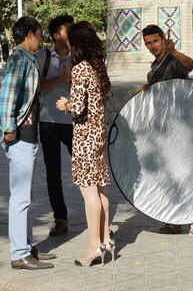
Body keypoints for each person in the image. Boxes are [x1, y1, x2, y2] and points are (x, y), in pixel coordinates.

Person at [0, 16, 56, 270]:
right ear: (30, 34)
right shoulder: (19, 59)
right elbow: (6, 95)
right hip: (20, 135)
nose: (42, 39)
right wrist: (9, 128)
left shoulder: (28, 59)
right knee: (20, 197)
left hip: (29, 134)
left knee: (26, 196)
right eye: (40, 34)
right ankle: (19, 254)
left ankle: (28, 247)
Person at [139, 24, 193, 240]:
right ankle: (173, 219)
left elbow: (190, 65)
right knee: (169, 173)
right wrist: (147, 90)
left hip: (184, 125)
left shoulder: (173, 61)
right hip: (164, 130)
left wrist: (173, 51)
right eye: (148, 43)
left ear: (163, 40)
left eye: (155, 41)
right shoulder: (153, 69)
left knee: (188, 172)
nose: (152, 46)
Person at [55, 21, 114, 267]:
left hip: (85, 138)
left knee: (89, 191)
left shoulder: (80, 69)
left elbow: (78, 108)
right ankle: (105, 240)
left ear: (75, 42)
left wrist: (65, 104)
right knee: (99, 190)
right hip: (98, 136)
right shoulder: (96, 67)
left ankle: (93, 246)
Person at [35, 15, 74, 236]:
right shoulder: (43, 56)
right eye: (69, 30)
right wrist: (58, 80)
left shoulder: (78, 56)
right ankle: (61, 219)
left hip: (72, 121)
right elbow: (35, 86)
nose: (73, 33)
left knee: (86, 171)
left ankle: (99, 218)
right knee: (53, 173)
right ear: (57, 35)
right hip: (48, 122)